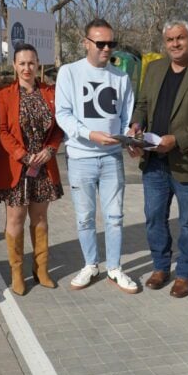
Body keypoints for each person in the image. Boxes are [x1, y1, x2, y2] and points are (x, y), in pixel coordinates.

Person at [129, 19, 188, 298]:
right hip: (154, 161)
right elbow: (143, 105)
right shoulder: (155, 68)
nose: (175, 44)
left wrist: (177, 140)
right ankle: (161, 266)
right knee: (154, 217)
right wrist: (136, 126)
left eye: (180, 38)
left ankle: (184, 272)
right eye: (170, 39)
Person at [55, 18, 138, 294]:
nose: (106, 49)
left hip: (113, 157)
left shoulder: (121, 77)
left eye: (110, 44)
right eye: (100, 43)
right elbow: (62, 114)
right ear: (86, 42)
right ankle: (91, 264)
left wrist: (130, 136)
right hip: (80, 157)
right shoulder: (69, 72)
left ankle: (114, 267)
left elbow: (127, 116)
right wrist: (91, 135)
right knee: (85, 217)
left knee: (114, 216)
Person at [0, 43, 64, 295]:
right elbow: (1, 131)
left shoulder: (50, 92)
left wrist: (50, 150)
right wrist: (22, 155)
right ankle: (17, 272)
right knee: (16, 219)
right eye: (21, 63)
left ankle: (41, 268)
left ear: (38, 64)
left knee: (40, 218)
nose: (27, 68)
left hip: (43, 166)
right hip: (16, 167)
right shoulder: (2, 95)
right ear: (14, 65)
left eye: (31, 63)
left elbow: (59, 127)